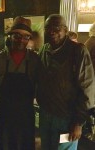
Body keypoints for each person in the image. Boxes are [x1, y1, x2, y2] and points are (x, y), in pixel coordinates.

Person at [37, 14, 95, 150]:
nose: (51, 31)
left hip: (67, 118)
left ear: (66, 30)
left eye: (56, 28)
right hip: (46, 115)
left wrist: (78, 122)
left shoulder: (78, 51)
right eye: (47, 28)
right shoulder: (44, 50)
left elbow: (88, 89)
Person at [0, 16, 42, 150]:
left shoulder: (34, 60)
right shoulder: (0, 58)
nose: (21, 40)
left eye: (26, 37)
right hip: (5, 113)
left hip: (26, 114)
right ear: (10, 36)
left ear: (29, 39)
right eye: (17, 35)